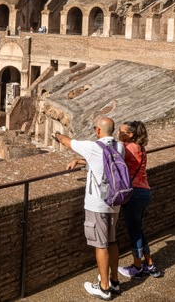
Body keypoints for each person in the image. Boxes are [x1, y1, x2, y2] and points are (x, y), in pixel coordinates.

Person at [54, 117, 124, 300]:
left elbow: (66, 142)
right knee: (112, 241)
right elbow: (103, 162)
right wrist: (80, 161)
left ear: (98, 131)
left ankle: (104, 287)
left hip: (97, 204)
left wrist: (57, 135)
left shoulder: (92, 147)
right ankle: (115, 281)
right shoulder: (119, 148)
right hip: (115, 202)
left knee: (100, 245)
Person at [116, 121, 163, 280]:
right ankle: (150, 265)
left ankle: (137, 267)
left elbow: (108, 158)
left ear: (130, 134)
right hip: (145, 192)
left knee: (134, 232)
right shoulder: (140, 148)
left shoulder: (127, 148)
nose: (118, 133)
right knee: (139, 229)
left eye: (121, 131)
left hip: (134, 194)